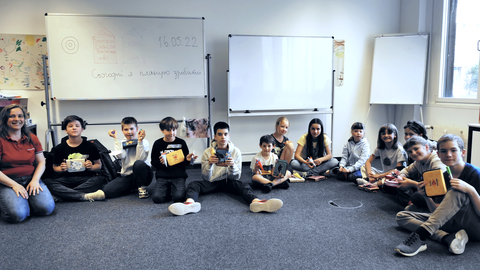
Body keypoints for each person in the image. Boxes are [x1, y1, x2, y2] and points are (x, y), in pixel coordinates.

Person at [168, 121, 283, 215]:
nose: (223, 137)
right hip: (212, 182)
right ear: (215, 136)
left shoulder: (236, 151)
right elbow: (205, 177)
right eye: (220, 134)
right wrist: (209, 164)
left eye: (225, 134)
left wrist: (232, 166)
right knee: (193, 185)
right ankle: (189, 204)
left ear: (229, 135)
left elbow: (236, 177)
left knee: (244, 185)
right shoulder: (207, 152)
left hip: (229, 181)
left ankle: (257, 202)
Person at [395, 134, 480, 256]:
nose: (448, 154)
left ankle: (421, 235)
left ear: (463, 152)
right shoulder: (443, 177)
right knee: (402, 216)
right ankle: (445, 237)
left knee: (457, 190)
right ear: (438, 154)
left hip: (475, 227)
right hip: (454, 224)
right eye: (443, 151)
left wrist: (470, 190)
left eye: (453, 150)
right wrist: (426, 196)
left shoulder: (475, 173)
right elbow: (437, 212)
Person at [0, 104, 55, 223]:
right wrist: (14, 185)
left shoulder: (32, 138)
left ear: (24, 119)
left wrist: (35, 180)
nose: (17, 119)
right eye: (12, 116)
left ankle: (25, 199)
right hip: (7, 181)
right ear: (5, 119)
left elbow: (41, 162)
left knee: (46, 209)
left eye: (20, 116)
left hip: (31, 179)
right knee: (17, 215)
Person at [45, 115, 106, 202]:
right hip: (66, 179)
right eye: (70, 126)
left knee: (99, 180)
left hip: (86, 178)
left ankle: (64, 196)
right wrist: (61, 168)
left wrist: (91, 167)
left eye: (77, 126)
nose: (74, 128)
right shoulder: (59, 148)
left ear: (82, 129)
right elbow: (55, 167)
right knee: (47, 182)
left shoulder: (91, 146)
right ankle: (83, 196)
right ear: (65, 130)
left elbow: (98, 165)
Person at [102, 117, 153, 199]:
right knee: (107, 191)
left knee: (138, 164)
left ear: (136, 129)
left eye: (131, 129)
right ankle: (133, 187)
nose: (129, 132)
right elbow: (120, 156)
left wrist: (139, 141)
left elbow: (140, 159)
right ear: (122, 130)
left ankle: (142, 188)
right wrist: (116, 138)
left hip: (144, 174)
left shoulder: (144, 141)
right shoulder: (121, 142)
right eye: (126, 129)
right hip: (128, 175)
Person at [151, 117, 197, 203]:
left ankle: (171, 188)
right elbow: (153, 162)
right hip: (162, 176)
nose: (171, 133)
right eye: (168, 130)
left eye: (174, 130)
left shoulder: (181, 143)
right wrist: (161, 162)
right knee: (157, 198)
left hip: (178, 176)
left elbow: (185, 163)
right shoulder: (157, 144)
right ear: (162, 130)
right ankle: (168, 189)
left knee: (178, 198)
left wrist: (188, 159)